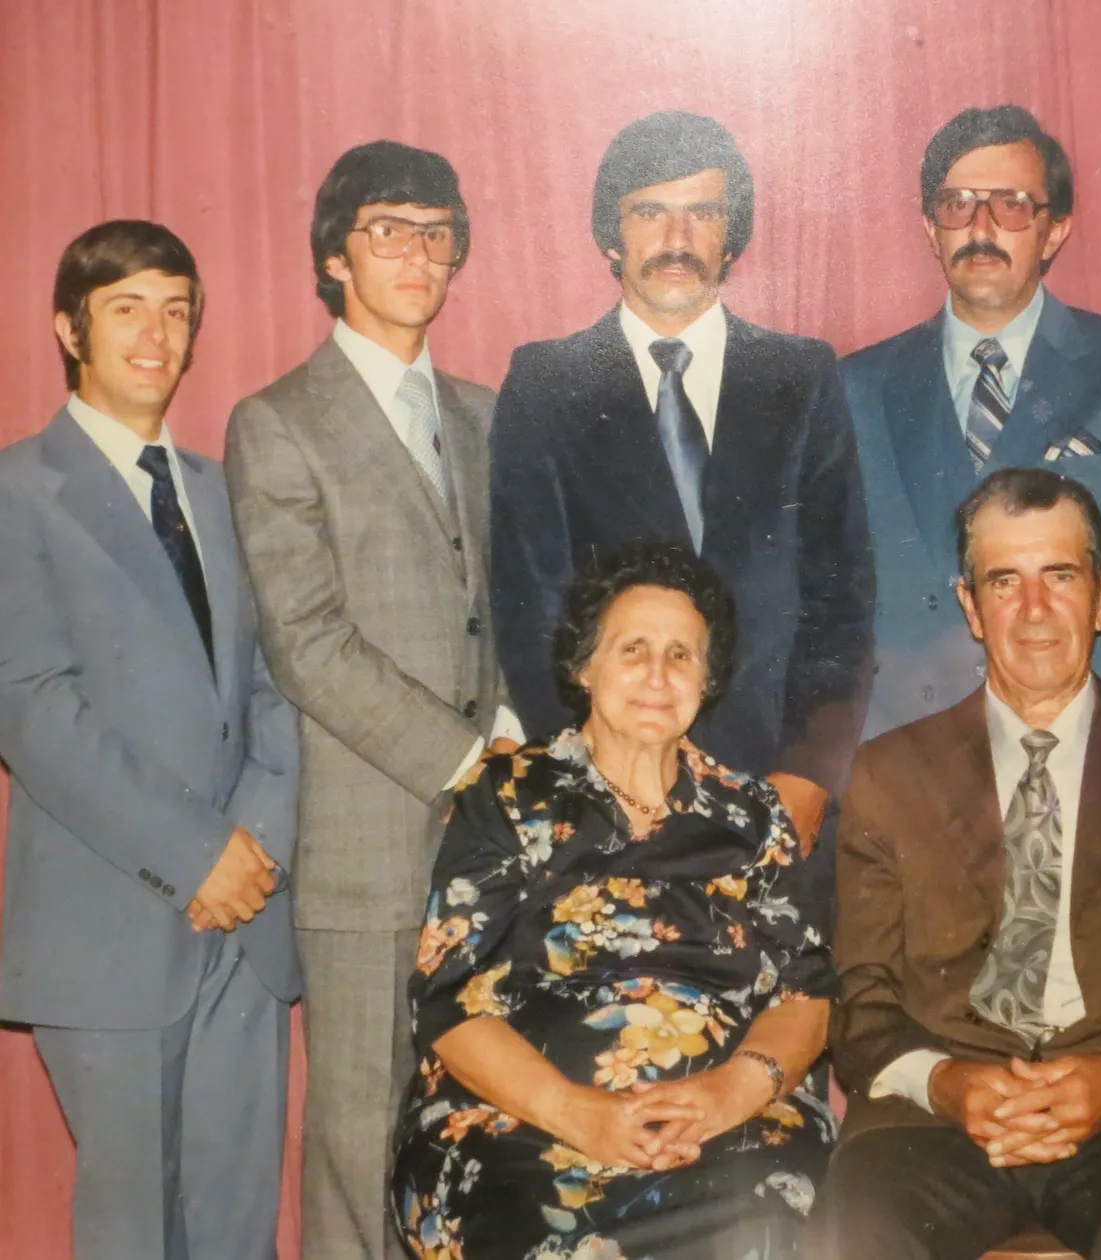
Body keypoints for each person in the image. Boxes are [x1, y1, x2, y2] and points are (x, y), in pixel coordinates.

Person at [809, 468, 1101, 1260]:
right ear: (970, 607)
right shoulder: (888, 772)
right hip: (936, 1121)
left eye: (1058, 577)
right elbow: (860, 996)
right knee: (851, 1236)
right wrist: (949, 1084)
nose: (1033, 612)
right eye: (1005, 581)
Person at [224, 140, 515, 1260]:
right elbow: (307, 643)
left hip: (492, 847)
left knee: (475, 1136)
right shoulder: (279, 420)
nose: (416, 254)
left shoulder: (485, 414)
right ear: (334, 257)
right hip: (366, 845)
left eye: (436, 232)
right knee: (359, 1142)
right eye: (387, 230)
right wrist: (463, 761)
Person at [392, 541, 836, 1260]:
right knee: (528, 1227)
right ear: (584, 666)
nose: (658, 676)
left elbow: (805, 999)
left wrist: (726, 1096)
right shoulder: (508, 797)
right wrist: (582, 1115)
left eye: (682, 655)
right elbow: (448, 1000)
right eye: (632, 650)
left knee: (766, 1222)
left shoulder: (753, 814)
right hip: (523, 1124)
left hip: (728, 1127)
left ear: (709, 677)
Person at [0, 221, 300, 1259]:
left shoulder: (225, 494)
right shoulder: (14, 490)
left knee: (237, 1227)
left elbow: (278, 691)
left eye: (176, 309)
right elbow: (32, 708)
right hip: (109, 928)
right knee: (132, 1235)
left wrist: (248, 853)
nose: (156, 333)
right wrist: (195, 855)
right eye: (126, 306)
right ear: (67, 328)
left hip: (245, 926)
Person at [490, 111, 875, 890]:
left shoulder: (799, 378)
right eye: (650, 212)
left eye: (702, 212)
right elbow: (532, 613)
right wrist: (602, 789)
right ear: (611, 235)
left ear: (731, 238)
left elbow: (843, 603)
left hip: (777, 798)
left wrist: (807, 774)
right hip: (609, 807)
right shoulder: (548, 384)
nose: (676, 237)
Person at [844, 105, 1101, 738]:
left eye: (1012, 206)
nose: (981, 227)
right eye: (958, 205)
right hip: (912, 756)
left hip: (1091, 741)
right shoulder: (857, 386)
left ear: (1054, 231)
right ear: (930, 227)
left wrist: (1071, 732)